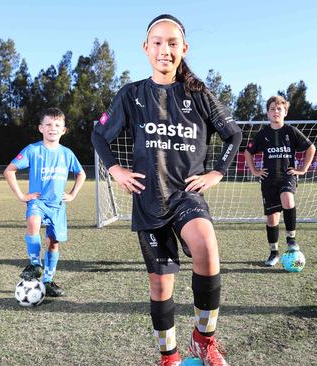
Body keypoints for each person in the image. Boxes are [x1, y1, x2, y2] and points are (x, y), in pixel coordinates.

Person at [91, 14, 241, 366]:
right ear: (146, 48)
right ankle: (169, 356)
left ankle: (204, 340)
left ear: (184, 49)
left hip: (186, 195)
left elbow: (232, 134)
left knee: (206, 244)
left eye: (172, 43)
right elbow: (100, 134)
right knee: (161, 285)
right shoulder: (131, 95)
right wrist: (115, 170)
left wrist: (217, 171)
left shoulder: (198, 92)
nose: (165, 49)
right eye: (157, 42)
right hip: (149, 201)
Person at [4, 107, 86, 297]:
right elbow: (9, 170)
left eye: (57, 125)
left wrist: (73, 194)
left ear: (64, 130)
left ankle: (48, 281)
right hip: (38, 202)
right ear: (40, 128)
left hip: (57, 205)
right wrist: (21, 196)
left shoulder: (67, 154)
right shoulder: (33, 150)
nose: (52, 128)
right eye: (48, 124)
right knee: (32, 222)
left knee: (53, 244)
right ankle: (35, 264)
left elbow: (80, 173)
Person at [243, 96, 316, 267]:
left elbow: (310, 148)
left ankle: (291, 239)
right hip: (268, 180)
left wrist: (303, 169)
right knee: (272, 219)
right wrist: (255, 170)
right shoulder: (262, 134)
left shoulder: (291, 131)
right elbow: (248, 152)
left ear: (285, 112)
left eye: (279, 109)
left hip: (287, 175)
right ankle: (273, 252)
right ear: (267, 113)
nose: (276, 112)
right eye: (272, 109)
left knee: (288, 198)